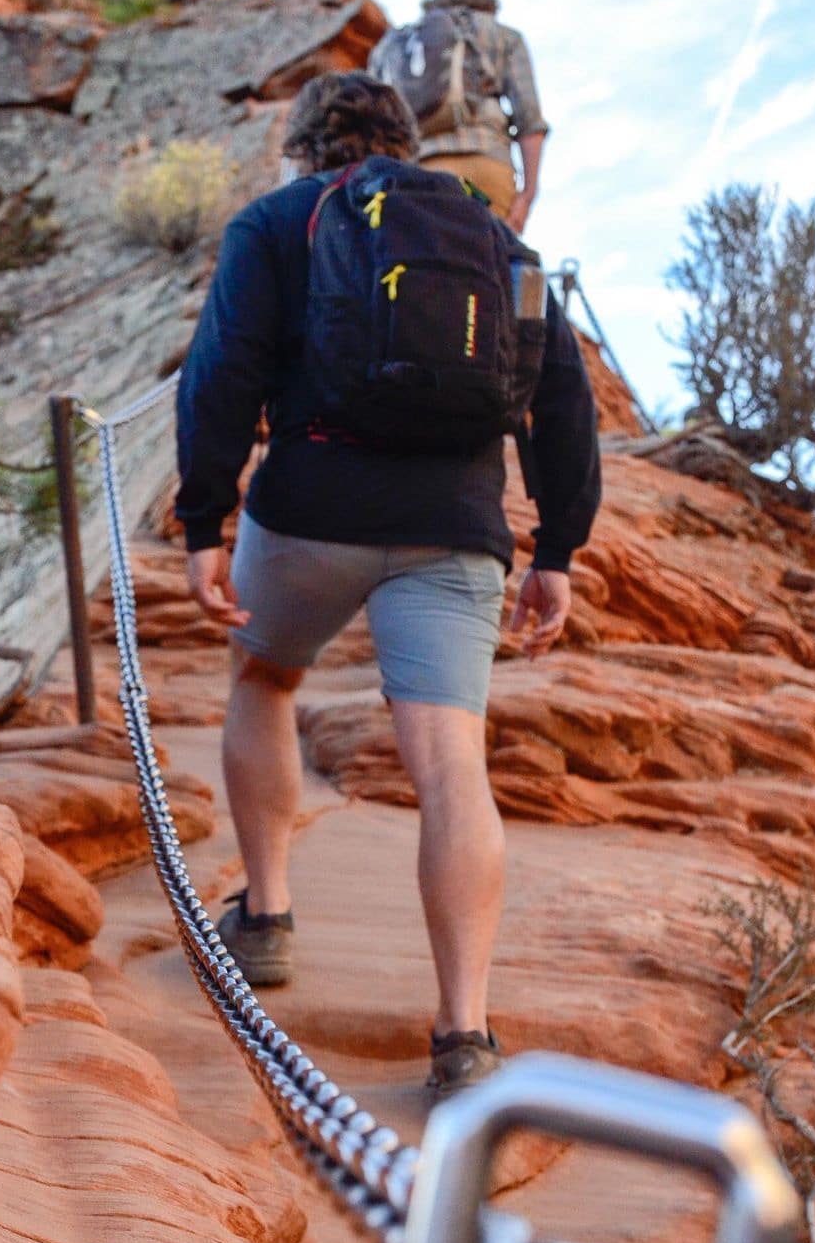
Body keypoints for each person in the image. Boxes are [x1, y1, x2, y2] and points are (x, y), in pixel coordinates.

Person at [175, 71, 599, 1093]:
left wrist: (203, 521)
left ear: (302, 148)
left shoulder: (279, 220)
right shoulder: (496, 240)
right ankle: (464, 1035)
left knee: (265, 679)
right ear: (408, 145)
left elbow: (223, 371)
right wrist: (556, 551)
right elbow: (563, 399)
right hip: (454, 529)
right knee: (452, 764)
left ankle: (265, 917)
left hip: (309, 514)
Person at [368, 0, 548, 234]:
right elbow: (529, 120)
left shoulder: (392, 46)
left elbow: (374, 126)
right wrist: (528, 194)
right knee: (494, 256)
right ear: (487, 3)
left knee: (429, 258)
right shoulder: (502, 36)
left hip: (419, 174)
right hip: (487, 167)